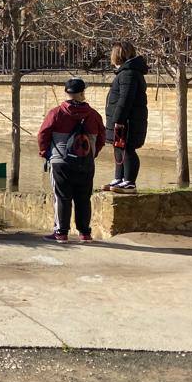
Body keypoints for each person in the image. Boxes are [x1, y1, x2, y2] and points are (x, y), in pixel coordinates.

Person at [38, 78, 106, 242]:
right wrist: (91, 155)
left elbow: (42, 135)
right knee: (83, 197)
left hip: (61, 162)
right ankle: (85, 233)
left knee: (62, 197)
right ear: (83, 93)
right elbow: (102, 138)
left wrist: (46, 154)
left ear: (66, 93)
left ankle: (61, 232)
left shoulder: (56, 113)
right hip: (86, 163)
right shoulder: (94, 115)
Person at [102, 41, 148, 194]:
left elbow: (125, 99)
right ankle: (119, 178)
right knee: (118, 148)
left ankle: (129, 182)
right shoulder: (126, 73)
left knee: (128, 149)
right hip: (123, 120)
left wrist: (118, 120)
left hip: (128, 121)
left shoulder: (129, 74)